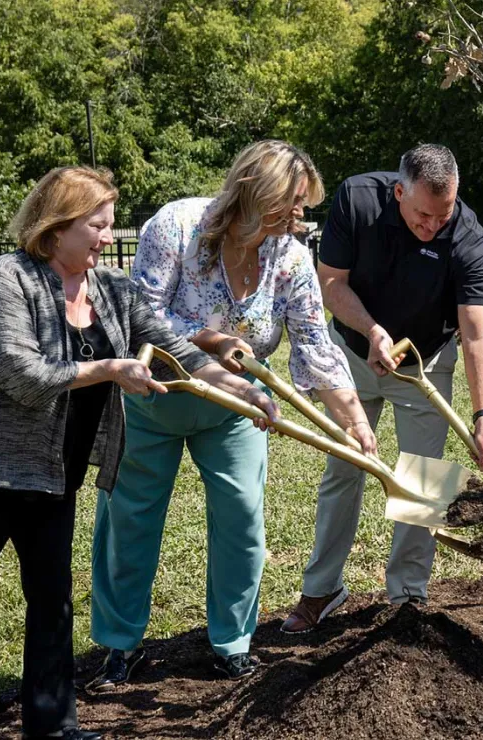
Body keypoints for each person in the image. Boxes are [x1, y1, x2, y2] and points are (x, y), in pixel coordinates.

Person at [0, 166, 275, 740]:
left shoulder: (112, 291)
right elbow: (20, 374)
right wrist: (108, 367)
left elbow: (178, 350)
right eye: (96, 226)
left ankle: (53, 728)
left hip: (54, 473)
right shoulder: (5, 280)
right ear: (56, 227)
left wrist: (245, 392)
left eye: (109, 226)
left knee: (52, 603)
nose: (107, 238)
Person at [87, 140, 376, 685]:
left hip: (235, 411)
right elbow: (143, 313)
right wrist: (212, 346)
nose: (300, 215)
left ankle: (232, 642)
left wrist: (355, 422)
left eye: (304, 205)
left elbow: (315, 342)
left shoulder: (289, 257)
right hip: (155, 399)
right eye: (291, 203)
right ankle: (121, 646)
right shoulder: (176, 227)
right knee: (130, 522)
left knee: (243, 522)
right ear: (255, 192)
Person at [280, 143, 483, 634]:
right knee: (344, 468)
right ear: (399, 192)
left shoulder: (466, 234)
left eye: (443, 216)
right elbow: (332, 284)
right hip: (355, 355)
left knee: (424, 479)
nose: (433, 227)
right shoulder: (356, 199)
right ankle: (321, 589)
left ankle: (406, 598)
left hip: (423, 362)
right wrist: (373, 330)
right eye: (424, 215)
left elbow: (478, 333)